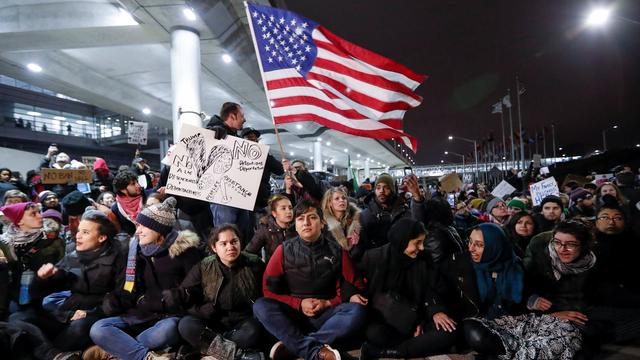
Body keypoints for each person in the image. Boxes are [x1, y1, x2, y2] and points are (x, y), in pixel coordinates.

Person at [88, 197, 202, 360]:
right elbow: (128, 288)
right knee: (98, 328)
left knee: (166, 331)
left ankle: (119, 351)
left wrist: (173, 298)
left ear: (159, 229)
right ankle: (144, 356)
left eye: (143, 226)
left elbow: (194, 290)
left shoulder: (186, 252)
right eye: (138, 225)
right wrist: (118, 298)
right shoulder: (136, 251)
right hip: (139, 314)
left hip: (169, 317)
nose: (138, 231)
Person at [252, 200, 367, 360]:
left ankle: (294, 346)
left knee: (357, 310)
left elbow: (357, 284)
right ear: (296, 225)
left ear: (322, 223)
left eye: (312, 217)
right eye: (300, 219)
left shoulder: (337, 250)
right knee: (260, 306)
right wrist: (298, 304)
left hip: (327, 316)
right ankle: (314, 350)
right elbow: (268, 291)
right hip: (295, 315)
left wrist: (329, 303)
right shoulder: (283, 251)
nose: (306, 223)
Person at [14, 209, 125, 359]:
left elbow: (122, 296)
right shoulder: (73, 255)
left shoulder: (119, 257)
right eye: (79, 231)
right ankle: (54, 354)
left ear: (102, 237)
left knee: (79, 328)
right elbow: (40, 294)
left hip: (97, 315)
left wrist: (91, 312)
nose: (78, 236)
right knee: (18, 318)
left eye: (85, 232)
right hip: (67, 313)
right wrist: (42, 279)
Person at [462, 223, 582, 359]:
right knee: (474, 332)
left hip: (520, 322)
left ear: (495, 245)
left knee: (567, 335)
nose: (471, 248)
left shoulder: (515, 266)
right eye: (470, 242)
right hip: (486, 325)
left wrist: (532, 301)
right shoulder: (462, 268)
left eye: (479, 245)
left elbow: (525, 297)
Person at [358, 218, 457, 359]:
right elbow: (355, 284)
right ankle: (419, 345)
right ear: (402, 241)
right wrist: (353, 295)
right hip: (385, 322)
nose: (422, 248)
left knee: (449, 331)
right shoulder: (374, 258)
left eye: (423, 242)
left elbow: (433, 288)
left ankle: (389, 352)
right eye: (417, 243)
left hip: (419, 317)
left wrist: (435, 311)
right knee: (374, 333)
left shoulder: (424, 258)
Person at [176, 224, 266, 359]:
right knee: (186, 325)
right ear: (214, 247)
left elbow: (268, 294)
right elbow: (185, 297)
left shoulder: (254, 263)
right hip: (213, 322)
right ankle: (239, 355)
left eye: (234, 241)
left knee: (255, 330)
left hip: (243, 322)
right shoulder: (204, 266)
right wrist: (201, 311)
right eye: (223, 244)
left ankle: (208, 352)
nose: (230, 247)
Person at [0, 202, 64, 320]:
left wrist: (48, 274)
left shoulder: (54, 241)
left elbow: (64, 271)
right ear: (19, 221)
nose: (40, 216)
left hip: (45, 297)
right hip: (14, 297)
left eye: (39, 212)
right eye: (33, 214)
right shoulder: (4, 244)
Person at [206, 102, 255, 242]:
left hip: (240, 196)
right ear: (232, 116)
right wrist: (212, 132)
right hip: (222, 198)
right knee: (226, 235)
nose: (244, 120)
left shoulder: (237, 138)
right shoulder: (213, 132)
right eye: (242, 116)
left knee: (243, 235)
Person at [353, 173, 413, 261]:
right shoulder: (365, 216)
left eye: (386, 187)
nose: (381, 191)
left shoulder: (404, 212)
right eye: (378, 188)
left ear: (393, 190)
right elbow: (359, 251)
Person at [240, 127, 285, 213]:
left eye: (254, 137)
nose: (253, 139)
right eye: (249, 137)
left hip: (260, 200)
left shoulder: (264, 156)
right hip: (241, 200)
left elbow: (280, 170)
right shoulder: (236, 155)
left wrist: (265, 155)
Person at [245, 195, 296, 263]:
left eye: (290, 208)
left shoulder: (298, 227)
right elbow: (248, 252)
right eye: (283, 208)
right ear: (274, 213)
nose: (289, 211)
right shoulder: (265, 230)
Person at [111, 171, 145, 236]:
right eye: (133, 184)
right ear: (122, 189)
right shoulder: (116, 208)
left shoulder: (147, 197)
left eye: (137, 182)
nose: (138, 185)